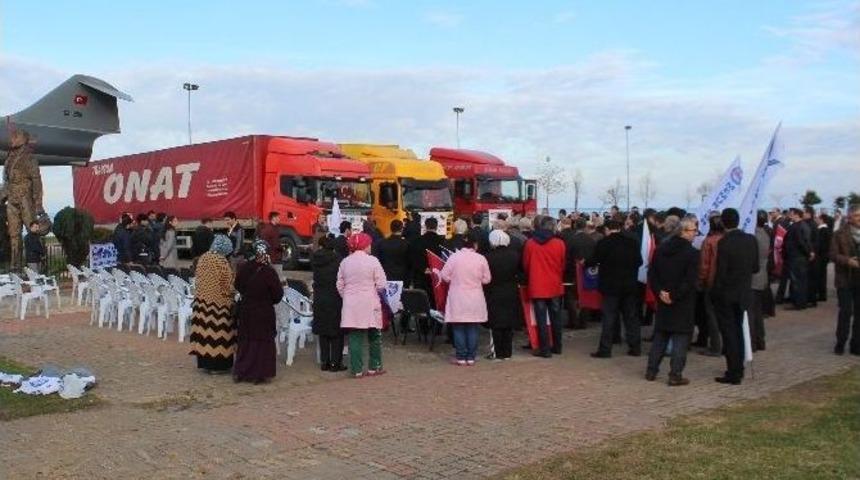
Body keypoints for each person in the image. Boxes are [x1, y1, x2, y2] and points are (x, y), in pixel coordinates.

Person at [645, 216, 700, 386]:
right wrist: (673, 295)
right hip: (681, 301)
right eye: (693, 231)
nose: (695, 234)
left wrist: (661, 292)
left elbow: (652, 274)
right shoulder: (692, 254)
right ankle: (675, 374)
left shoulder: (661, 249)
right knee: (680, 338)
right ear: (684, 231)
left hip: (664, 297)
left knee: (661, 335)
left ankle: (651, 370)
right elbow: (690, 280)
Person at [711, 208, 759, 385]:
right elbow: (755, 267)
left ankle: (734, 371)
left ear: (723, 222)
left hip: (727, 294)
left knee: (730, 333)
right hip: (744, 292)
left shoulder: (724, 243)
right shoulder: (750, 240)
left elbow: (721, 272)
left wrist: (715, 291)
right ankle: (738, 367)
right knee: (738, 330)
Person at [587, 219, 642, 358]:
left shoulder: (604, 243)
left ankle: (605, 349)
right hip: (629, 285)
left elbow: (593, 261)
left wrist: (585, 262)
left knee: (609, 318)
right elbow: (639, 261)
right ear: (620, 227)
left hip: (610, 286)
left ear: (607, 229)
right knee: (631, 318)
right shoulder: (632, 243)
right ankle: (635, 347)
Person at [233, 240, 284, 384]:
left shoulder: (244, 268)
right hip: (263, 312)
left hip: (246, 310)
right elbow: (278, 294)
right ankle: (258, 373)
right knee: (261, 343)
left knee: (246, 342)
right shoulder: (269, 272)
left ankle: (242, 371)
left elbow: (238, 285)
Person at [337, 232, 388, 378]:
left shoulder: (345, 262)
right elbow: (381, 284)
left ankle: (357, 370)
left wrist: (347, 296)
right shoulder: (373, 261)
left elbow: (340, 285)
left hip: (351, 304)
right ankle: (374, 367)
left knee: (355, 337)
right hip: (370, 302)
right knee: (374, 335)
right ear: (365, 245)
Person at [439, 230, 492, 365]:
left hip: (457, 296)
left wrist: (454, 279)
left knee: (458, 327)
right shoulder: (481, 259)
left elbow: (444, 275)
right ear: (475, 244)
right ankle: (471, 356)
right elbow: (487, 280)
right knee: (473, 327)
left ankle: (461, 356)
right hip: (475, 297)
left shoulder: (454, 258)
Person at [189, 235, 237, 374]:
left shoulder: (203, 258)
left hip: (202, 302)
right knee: (219, 335)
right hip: (219, 305)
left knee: (203, 333)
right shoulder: (221, 262)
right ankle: (218, 366)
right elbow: (227, 285)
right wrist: (232, 295)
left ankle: (204, 363)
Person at [523, 216, 566, 358]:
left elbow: (526, 264)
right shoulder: (559, 243)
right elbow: (562, 264)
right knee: (556, 317)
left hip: (537, 284)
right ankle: (558, 346)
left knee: (541, 319)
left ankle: (544, 348)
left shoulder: (530, 244)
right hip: (554, 284)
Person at [3, 129, 44, 272]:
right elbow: (6, 182)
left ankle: (37, 263)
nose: (12, 139)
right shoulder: (9, 159)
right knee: (14, 235)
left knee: (33, 231)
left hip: (25, 198)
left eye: (15, 136)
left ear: (23, 139)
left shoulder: (30, 158)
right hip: (11, 200)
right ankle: (15, 267)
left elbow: (37, 181)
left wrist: (38, 203)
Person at [484, 229, 521, 360]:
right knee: (508, 323)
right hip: (511, 291)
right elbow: (521, 273)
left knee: (495, 323)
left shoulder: (488, 257)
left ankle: (497, 352)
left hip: (494, 292)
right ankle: (507, 352)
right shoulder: (515, 255)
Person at [312, 236, 347, 371]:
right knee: (337, 331)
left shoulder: (315, 259)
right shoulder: (338, 260)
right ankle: (335, 363)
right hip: (335, 296)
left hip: (319, 297)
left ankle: (324, 362)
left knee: (323, 331)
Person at [830, 204, 860, 355]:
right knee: (846, 312)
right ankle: (841, 342)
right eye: (857, 216)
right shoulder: (839, 234)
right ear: (849, 217)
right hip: (845, 279)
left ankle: (856, 344)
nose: (859, 219)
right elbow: (833, 255)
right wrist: (848, 260)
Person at [696, 215, 725, 356]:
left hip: (711, 283)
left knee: (712, 315)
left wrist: (700, 282)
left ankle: (715, 346)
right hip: (725, 282)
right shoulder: (727, 240)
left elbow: (704, 265)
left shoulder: (709, 242)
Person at [409, 217, 444, 306]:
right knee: (436, 303)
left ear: (425, 226)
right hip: (437, 277)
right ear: (436, 227)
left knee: (422, 305)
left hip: (421, 278)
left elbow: (413, 259)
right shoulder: (443, 242)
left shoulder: (416, 241)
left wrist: (423, 269)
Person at [749, 210, 771, 351]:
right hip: (762, 276)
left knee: (751, 312)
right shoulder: (765, 234)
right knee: (757, 311)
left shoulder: (754, 236)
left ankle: (753, 342)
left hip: (753, 277)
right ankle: (760, 339)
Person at [783, 208, 813, 310]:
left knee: (797, 281)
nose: (789, 215)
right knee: (801, 280)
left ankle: (798, 303)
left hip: (797, 257)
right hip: (800, 257)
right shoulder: (803, 226)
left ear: (796, 215)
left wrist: (808, 252)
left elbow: (801, 242)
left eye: (791, 213)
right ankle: (801, 302)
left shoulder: (796, 226)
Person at [376, 219, 410, 284]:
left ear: (390, 228)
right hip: (402, 276)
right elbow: (409, 262)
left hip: (386, 275)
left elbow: (379, 260)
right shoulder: (406, 243)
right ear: (401, 229)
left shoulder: (382, 243)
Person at [815, 212, 833, 303]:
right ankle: (821, 294)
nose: (816, 220)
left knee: (821, 276)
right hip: (823, 256)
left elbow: (821, 245)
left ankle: (822, 295)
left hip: (821, 257)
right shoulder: (825, 230)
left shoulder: (823, 230)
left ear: (822, 219)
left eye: (817, 218)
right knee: (822, 275)